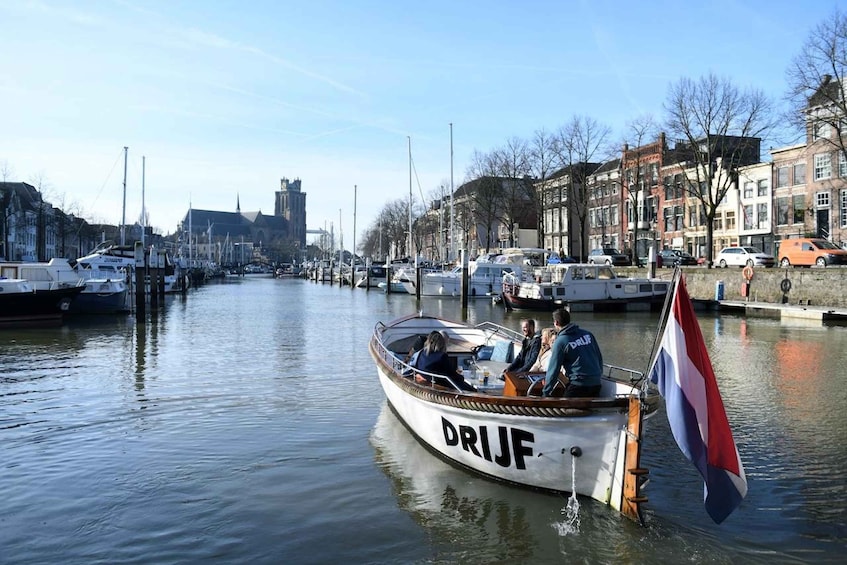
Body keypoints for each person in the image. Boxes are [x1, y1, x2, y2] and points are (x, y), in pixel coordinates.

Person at [543, 308, 603, 398]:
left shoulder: (560, 342)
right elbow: (599, 358)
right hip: (596, 384)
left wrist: (546, 392)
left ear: (556, 322)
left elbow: (554, 370)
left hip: (578, 386)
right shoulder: (588, 335)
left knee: (562, 410)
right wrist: (597, 377)